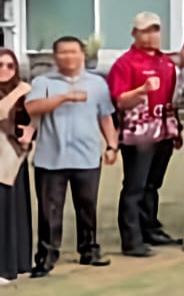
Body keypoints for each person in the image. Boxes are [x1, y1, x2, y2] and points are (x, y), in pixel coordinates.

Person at [25, 36, 117, 277]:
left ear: (83, 54)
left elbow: (105, 116)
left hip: (86, 156)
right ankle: (46, 257)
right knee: (49, 211)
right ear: (55, 57)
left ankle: (89, 250)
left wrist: (112, 145)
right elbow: (31, 108)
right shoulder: (43, 81)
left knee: (87, 206)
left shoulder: (97, 83)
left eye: (73, 52)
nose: (69, 57)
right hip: (50, 157)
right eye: (63, 52)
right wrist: (63, 97)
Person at [106, 12, 182, 257]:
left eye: (155, 30)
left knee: (152, 185)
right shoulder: (125, 63)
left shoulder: (166, 62)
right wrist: (141, 91)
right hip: (138, 133)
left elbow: (171, 98)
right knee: (135, 186)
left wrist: (175, 128)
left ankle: (150, 229)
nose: (151, 35)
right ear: (134, 34)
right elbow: (119, 101)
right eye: (145, 30)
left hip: (164, 130)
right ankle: (131, 240)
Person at [0, 49, 31, 280]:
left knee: (14, 213)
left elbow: (35, 119)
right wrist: (20, 90)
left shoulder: (23, 94)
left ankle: (17, 264)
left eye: (10, 66)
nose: (5, 70)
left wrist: (30, 133)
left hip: (14, 159)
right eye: (0, 65)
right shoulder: (20, 91)